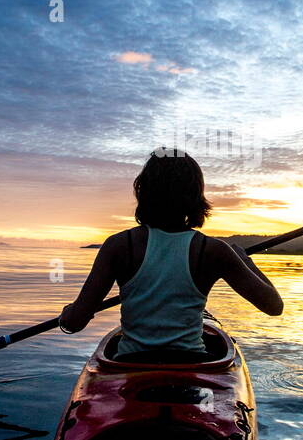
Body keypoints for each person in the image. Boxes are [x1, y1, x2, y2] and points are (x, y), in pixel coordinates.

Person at [59, 150, 283, 356]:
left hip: (131, 366)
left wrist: (70, 313)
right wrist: (246, 262)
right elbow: (273, 306)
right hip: (191, 366)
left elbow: (74, 323)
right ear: (196, 195)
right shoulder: (214, 250)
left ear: (143, 191)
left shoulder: (118, 245)